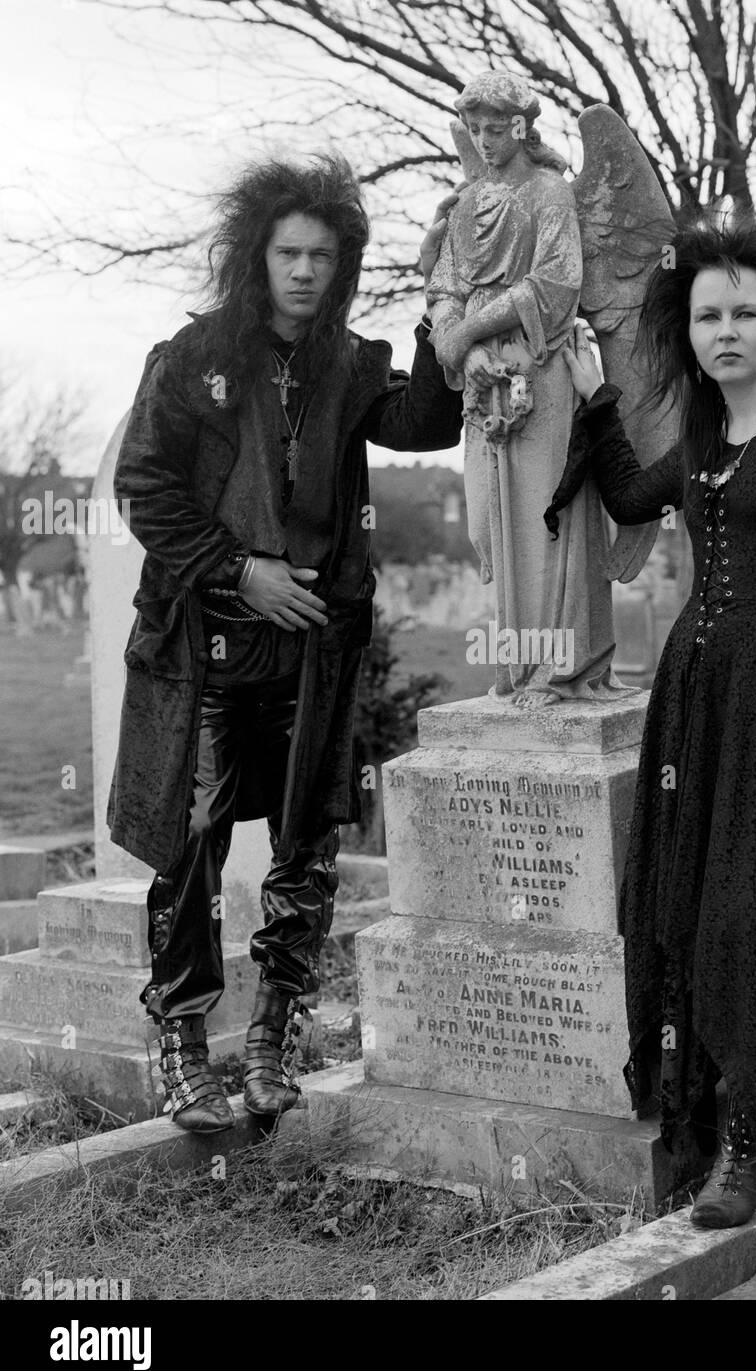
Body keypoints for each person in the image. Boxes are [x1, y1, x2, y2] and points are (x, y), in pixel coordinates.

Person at [110, 155, 463, 1133]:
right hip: (207, 649)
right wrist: (238, 569)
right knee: (189, 843)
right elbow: (145, 486)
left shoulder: (348, 366)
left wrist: (445, 313)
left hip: (312, 652)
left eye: (322, 255)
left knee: (304, 842)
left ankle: (271, 1038)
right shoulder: (188, 359)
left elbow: (425, 418)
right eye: (288, 252)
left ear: (340, 265)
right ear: (256, 257)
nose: (304, 270)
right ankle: (182, 1045)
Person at [559, 214, 756, 1227]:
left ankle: (753, 1134)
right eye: (707, 315)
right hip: (691, 698)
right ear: (688, 332)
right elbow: (628, 494)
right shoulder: (703, 435)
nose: (725, 329)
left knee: (755, 912)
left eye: (746, 311)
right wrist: (589, 394)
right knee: (690, 904)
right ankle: (691, 1117)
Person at [427, 71, 629, 708]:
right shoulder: (465, 204)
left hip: (542, 367)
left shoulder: (548, 194)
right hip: (484, 381)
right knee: (495, 520)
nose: (484, 141)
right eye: (476, 129)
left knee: (548, 516)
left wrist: (470, 334)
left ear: (522, 127)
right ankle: (518, 666)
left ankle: (561, 670)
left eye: (497, 128)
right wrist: (454, 342)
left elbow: (555, 286)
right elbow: (445, 289)